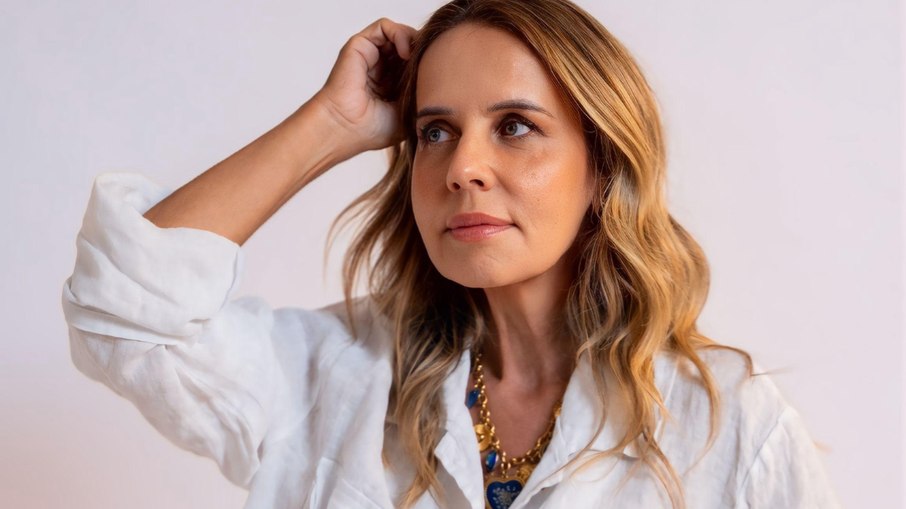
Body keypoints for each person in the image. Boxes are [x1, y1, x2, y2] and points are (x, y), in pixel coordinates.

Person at [61, 0, 842, 508]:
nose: (462, 166)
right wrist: (332, 123)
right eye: (435, 130)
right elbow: (124, 308)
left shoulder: (726, 425)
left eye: (514, 126)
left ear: (602, 165)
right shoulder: (336, 376)